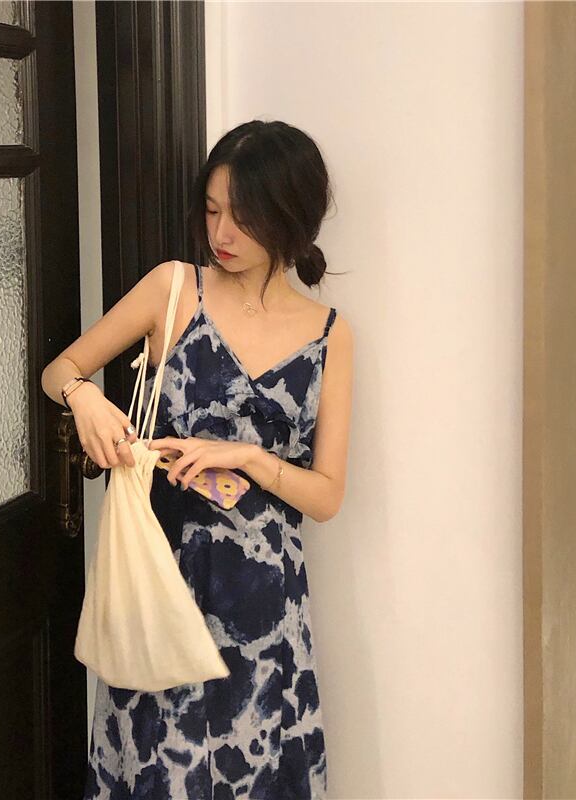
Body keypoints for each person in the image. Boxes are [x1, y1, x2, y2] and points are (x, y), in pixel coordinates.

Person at [42, 119, 353, 800]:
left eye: (243, 217)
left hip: (265, 608)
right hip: (164, 588)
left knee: (256, 775)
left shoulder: (329, 335)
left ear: (290, 217)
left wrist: (248, 457)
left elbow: (327, 495)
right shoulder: (175, 289)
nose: (222, 233)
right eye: (212, 211)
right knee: (159, 770)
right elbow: (60, 368)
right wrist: (84, 398)